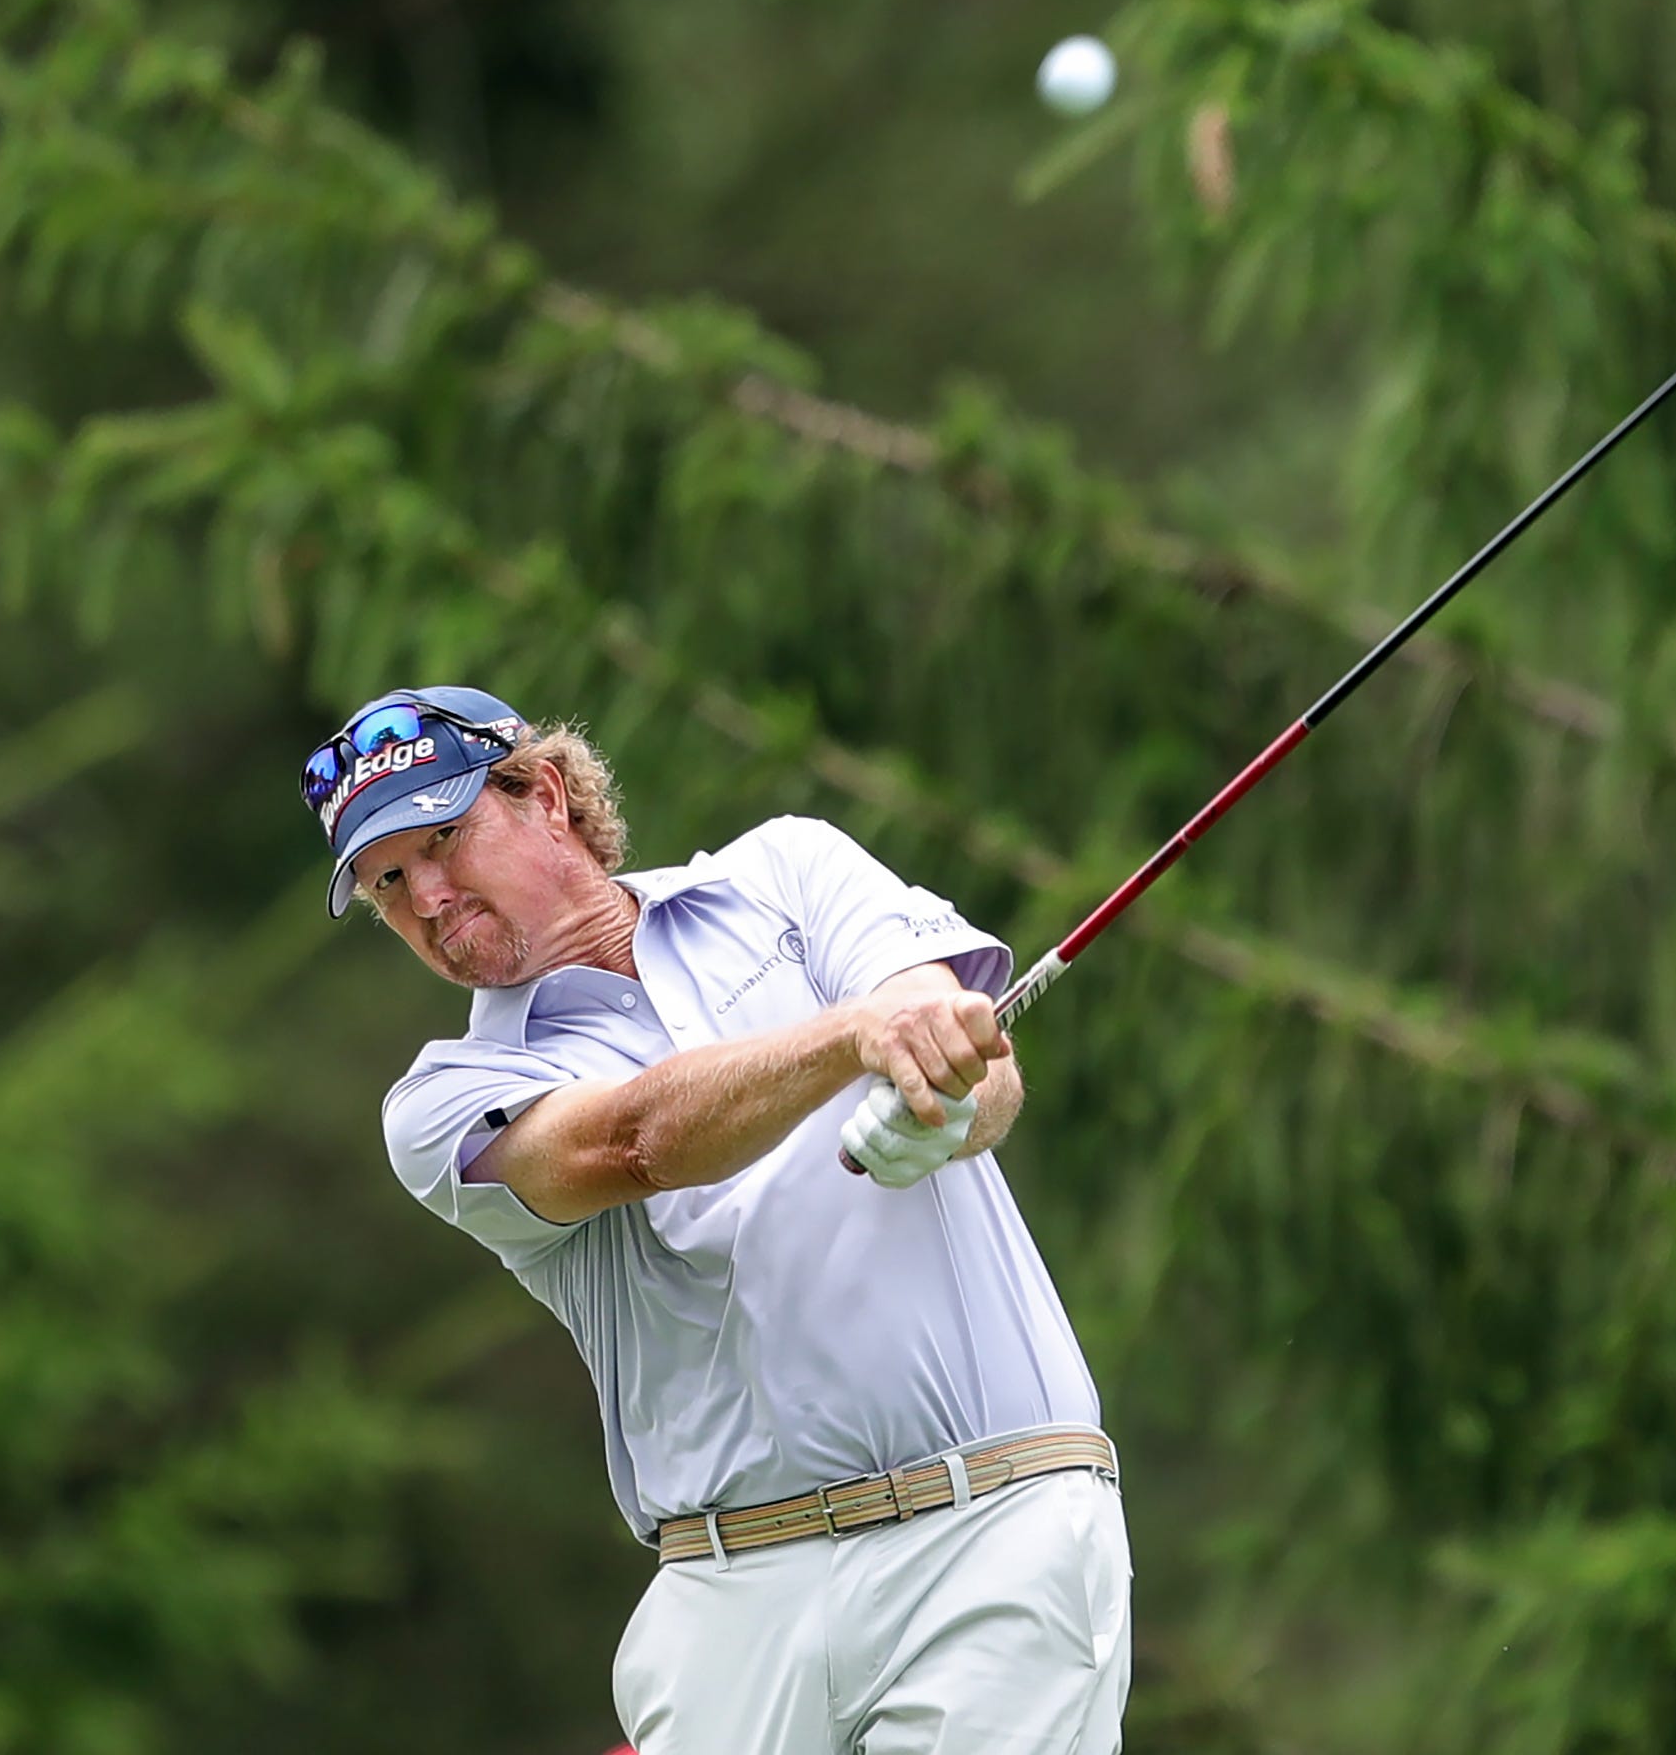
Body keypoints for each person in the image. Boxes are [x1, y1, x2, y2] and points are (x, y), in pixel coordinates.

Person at [301, 685, 1131, 1753]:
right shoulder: (444, 1100)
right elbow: (630, 1144)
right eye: (387, 882)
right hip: (732, 1595)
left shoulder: (788, 873)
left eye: (442, 839)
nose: (425, 896)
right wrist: (854, 1035)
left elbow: (968, 1054)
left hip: (993, 1528)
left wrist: (951, 1101)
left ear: (545, 795)